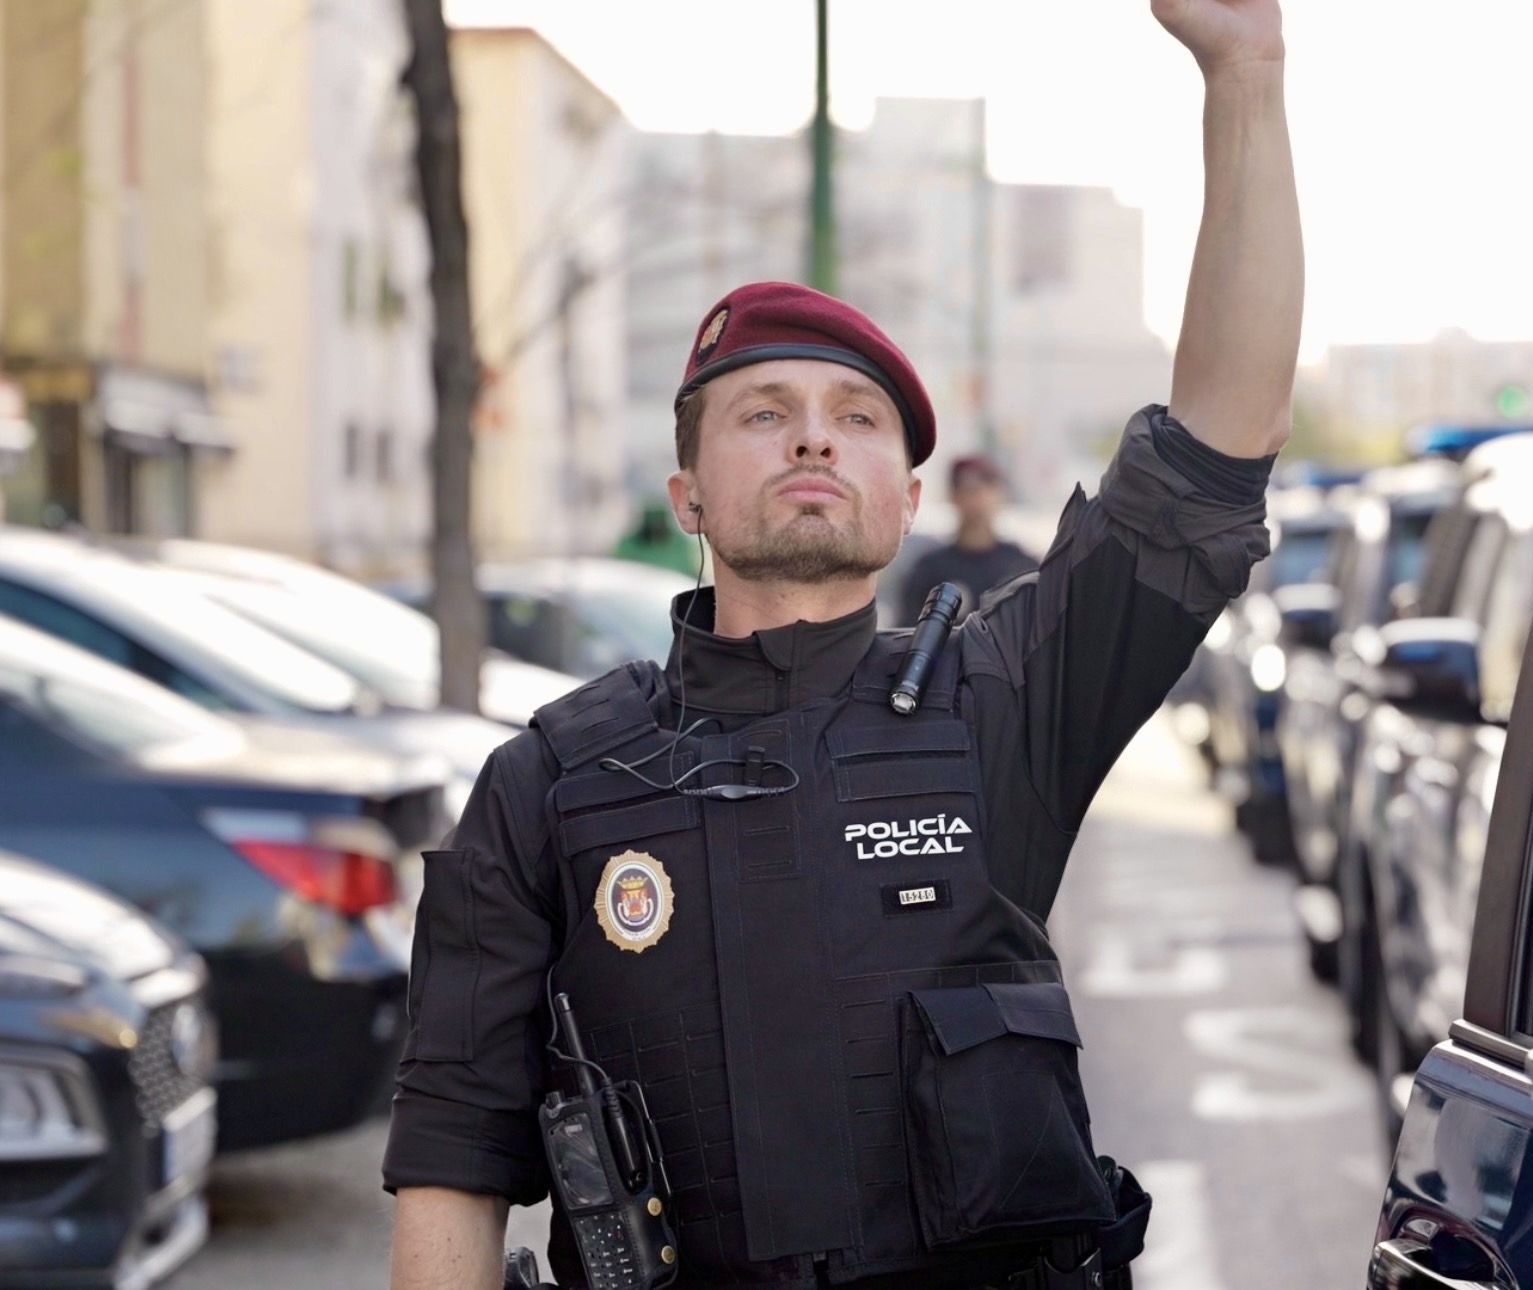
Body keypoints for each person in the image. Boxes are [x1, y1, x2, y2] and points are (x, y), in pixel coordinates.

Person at [383, 0, 1300, 1285]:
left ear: (907, 499)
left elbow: (1215, 450)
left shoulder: (1002, 701)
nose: (815, 436)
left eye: (857, 417)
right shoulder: (546, 785)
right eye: (764, 412)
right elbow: (451, 1160)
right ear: (687, 497)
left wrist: (1244, 70)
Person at [893, 455, 1038, 621]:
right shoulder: (929, 570)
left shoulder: (1021, 568)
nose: (979, 499)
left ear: (1000, 494)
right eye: (969, 490)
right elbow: (907, 632)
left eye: (987, 488)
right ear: (954, 496)